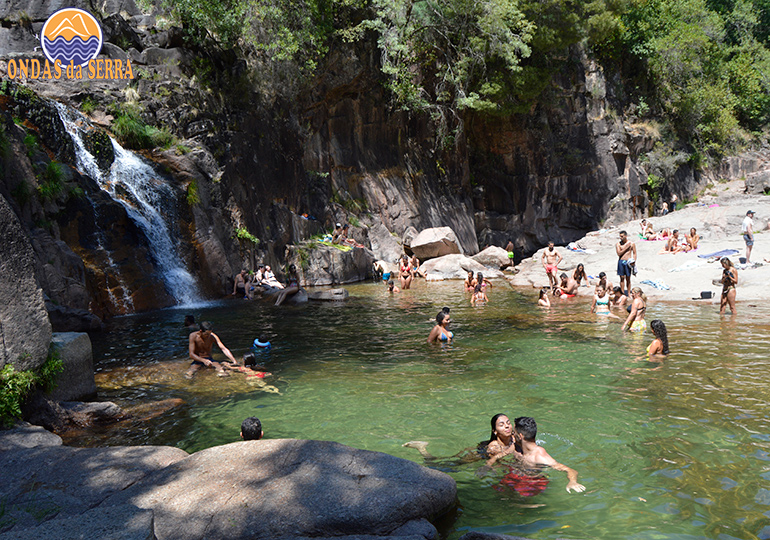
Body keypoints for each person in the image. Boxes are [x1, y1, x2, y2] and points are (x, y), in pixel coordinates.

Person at [487, 416, 585, 494]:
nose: (512, 433)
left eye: (514, 432)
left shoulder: (540, 456)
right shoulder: (515, 446)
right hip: (516, 474)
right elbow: (501, 455)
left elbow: (570, 470)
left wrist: (573, 482)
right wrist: (489, 464)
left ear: (520, 436)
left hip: (532, 482)